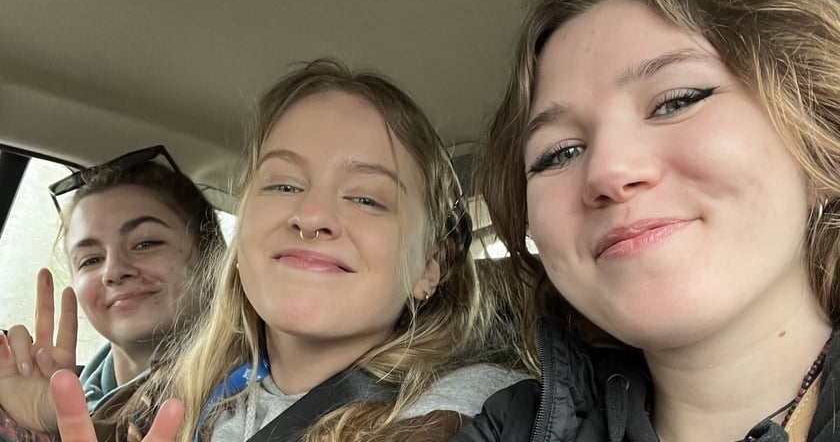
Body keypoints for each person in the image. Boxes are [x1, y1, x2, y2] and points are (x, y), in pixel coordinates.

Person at [452, 0, 840, 441]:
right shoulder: (508, 427)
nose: (609, 172)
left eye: (676, 101)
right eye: (561, 153)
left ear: (818, 148)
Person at [47, 59, 530, 442]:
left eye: (366, 198)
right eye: (283, 185)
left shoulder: (478, 415)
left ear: (430, 265)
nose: (311, 215)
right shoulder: (181, 390)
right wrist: (36, 421)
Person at [0, 145, 226, 442]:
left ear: (213, 256)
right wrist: (33, 430)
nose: (114, 271)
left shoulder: (245, 404)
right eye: (91, 260)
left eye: (145, 243)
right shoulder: (77, 400)